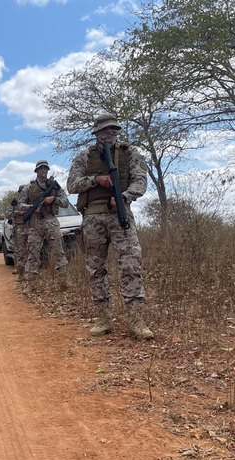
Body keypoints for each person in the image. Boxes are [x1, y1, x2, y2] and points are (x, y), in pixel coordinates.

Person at [67, 113, 153, 340]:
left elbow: (140, 182)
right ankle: (103, 318)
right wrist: (96, 180)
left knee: (131, 265)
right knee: (95, 269)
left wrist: (124, 196)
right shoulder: (85, 156)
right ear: (96, 132)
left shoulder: (130, 153)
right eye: (106, 130)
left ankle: (136, 319)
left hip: (120, 215)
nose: (111, 133)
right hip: (92, 218)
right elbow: (72, 185)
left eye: (114, 129)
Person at [18, 160, 70, 289]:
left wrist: (54, 199)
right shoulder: (29, 187)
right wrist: (31, 207)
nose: (43, 170)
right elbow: (19, 204)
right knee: (33, 254)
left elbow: (65, 202)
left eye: (45, 168)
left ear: (48, 170)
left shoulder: (54, 186)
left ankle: (63, 282)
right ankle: (31, 284)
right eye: (40, 168)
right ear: (36, 171)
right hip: (35, 223)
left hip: (50, 220)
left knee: (58, 252)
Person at [10, 185, 30, 281]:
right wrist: (17, 211)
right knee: (19, 250)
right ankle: (19, 269)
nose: (22, 192)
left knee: (31, 250)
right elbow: (10, 215)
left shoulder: (31, 201)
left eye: (23, 191)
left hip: (30, 227)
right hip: (19, 228)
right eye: (20, 191)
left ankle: (29, 271)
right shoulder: (16, 203)